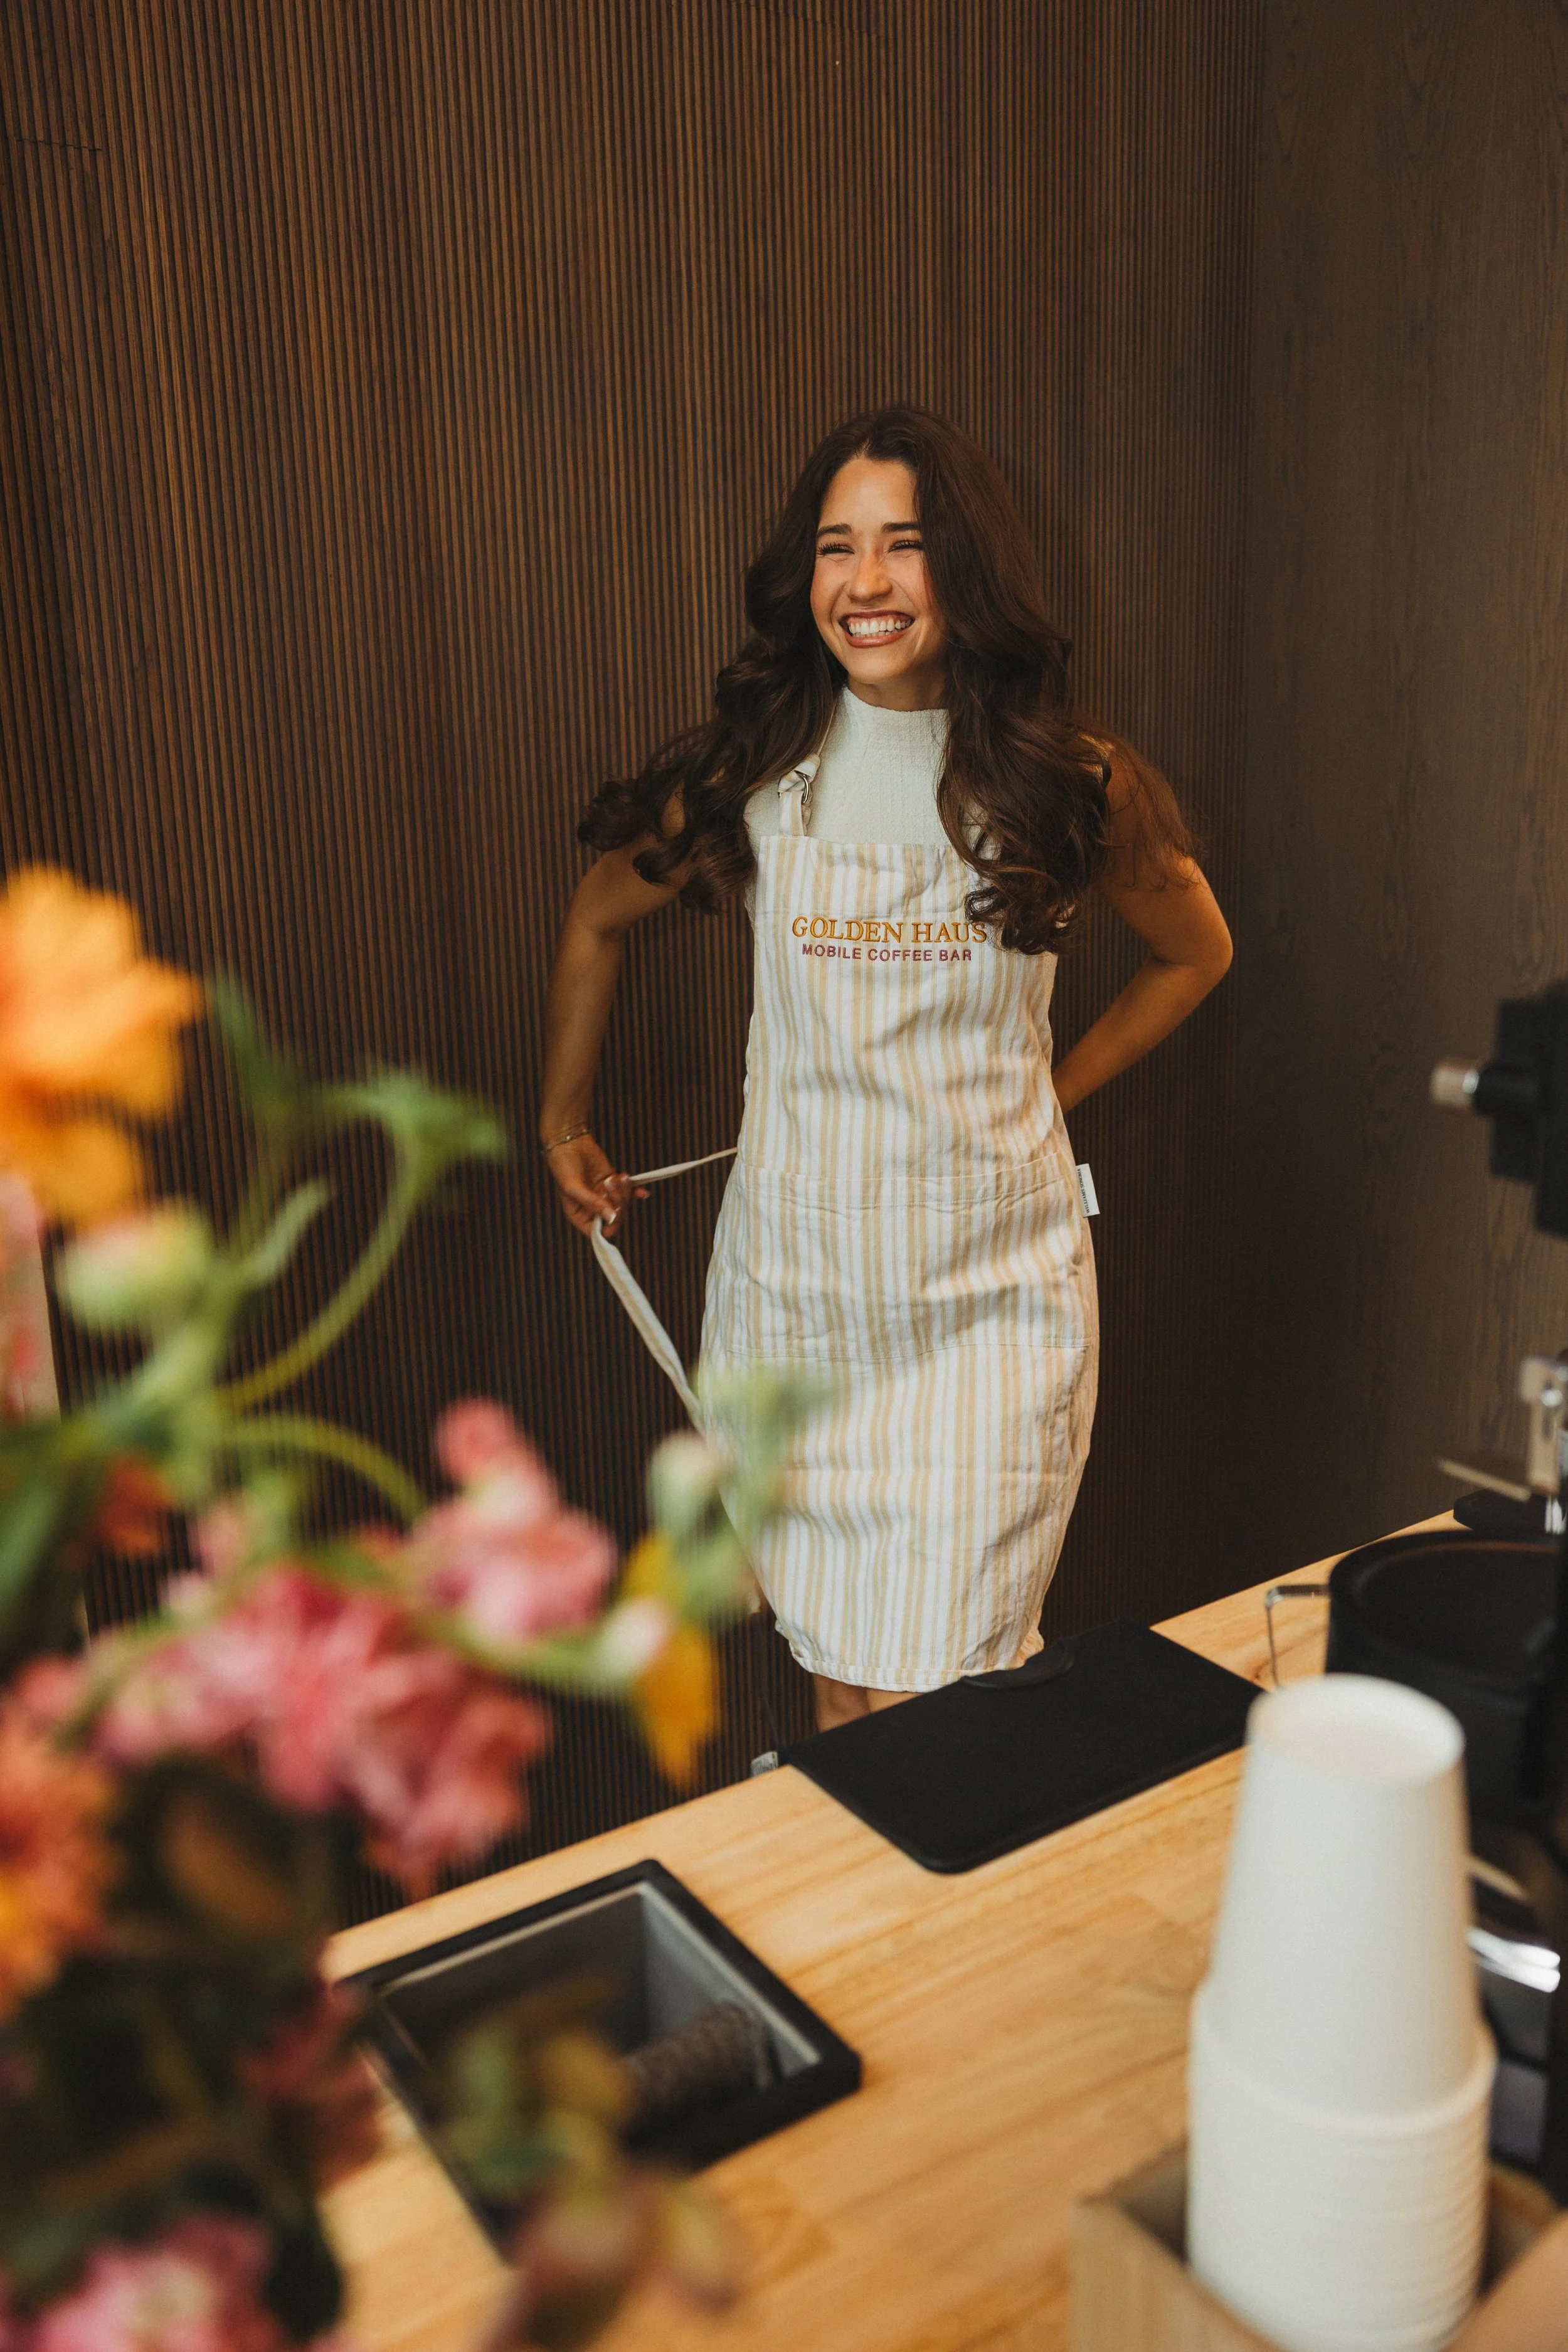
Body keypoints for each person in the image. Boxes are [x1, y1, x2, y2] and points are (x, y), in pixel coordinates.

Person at [539, 406, 1232, 1732]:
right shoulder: (758, 779)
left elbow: (1192, 954)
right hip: (797, 1306)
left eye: (902, 546)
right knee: (845, 1685)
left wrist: (1049, 1096)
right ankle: (875, 1938)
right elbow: (593, 916)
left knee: (942, 1701)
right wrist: (559, 1119)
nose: (862, 583)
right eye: (833, 548)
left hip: (989, 1313)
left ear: (962, 570)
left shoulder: (1070, 783)